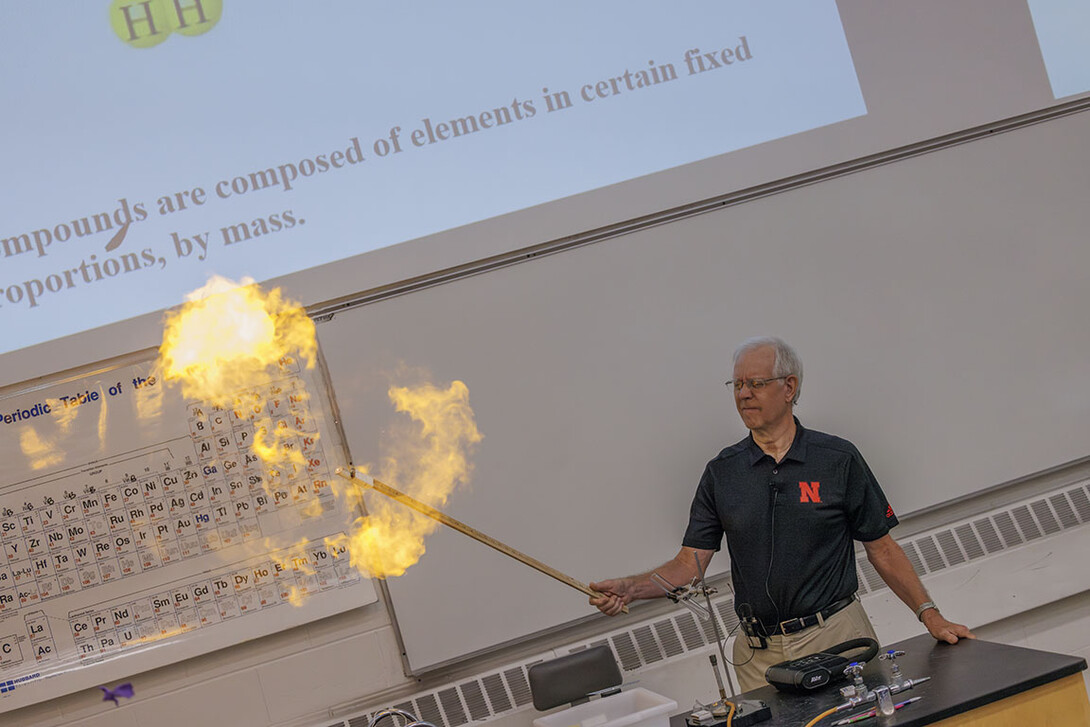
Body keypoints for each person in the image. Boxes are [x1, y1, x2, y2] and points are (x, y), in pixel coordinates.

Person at [589, 336, 974, 691]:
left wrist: (930, 616)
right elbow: (690, 564)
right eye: (737, 385)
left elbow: (883, 549)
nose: (743, 394)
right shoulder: (722, 473)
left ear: (789, 388)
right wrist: (632, 589)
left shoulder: (837, 459)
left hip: (836, 639)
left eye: (755, 384)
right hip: (759, 656)